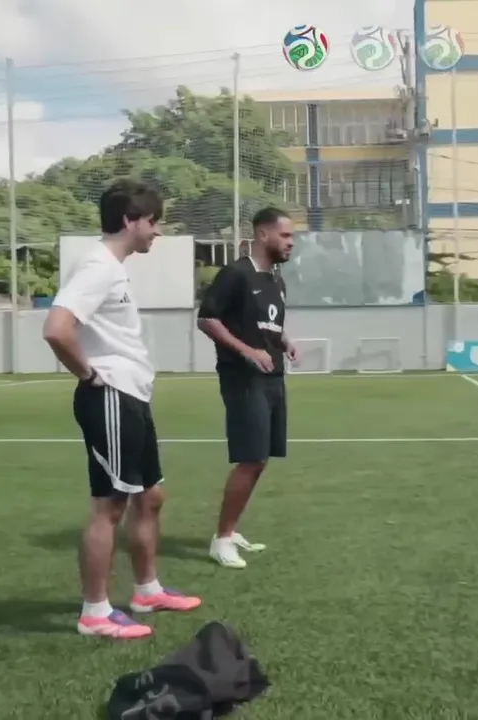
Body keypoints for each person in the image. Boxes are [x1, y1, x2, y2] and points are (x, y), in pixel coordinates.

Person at [42, 178, 202, 638]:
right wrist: (90, 375)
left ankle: (147, 591)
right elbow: (56, 328)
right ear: (131, 221)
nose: (157, 231)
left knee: (150, 496)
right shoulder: (98, 267)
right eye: (153, 221)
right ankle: (95, 612)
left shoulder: (112, 267)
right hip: (110, 395)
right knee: (110, 505)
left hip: (130, 395)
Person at [196, 206, 297, 569]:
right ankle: (221, 539)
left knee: (261, 459)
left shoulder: (277, 282)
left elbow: (268, 326)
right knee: (250, 458)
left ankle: (232, 530)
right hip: (242, 378)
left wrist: (285, 341)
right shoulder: (236, 274)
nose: (291, 242)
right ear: (263, 234)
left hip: (272, 377)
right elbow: (207, 319)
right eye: (285, 235)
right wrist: (247, 351)